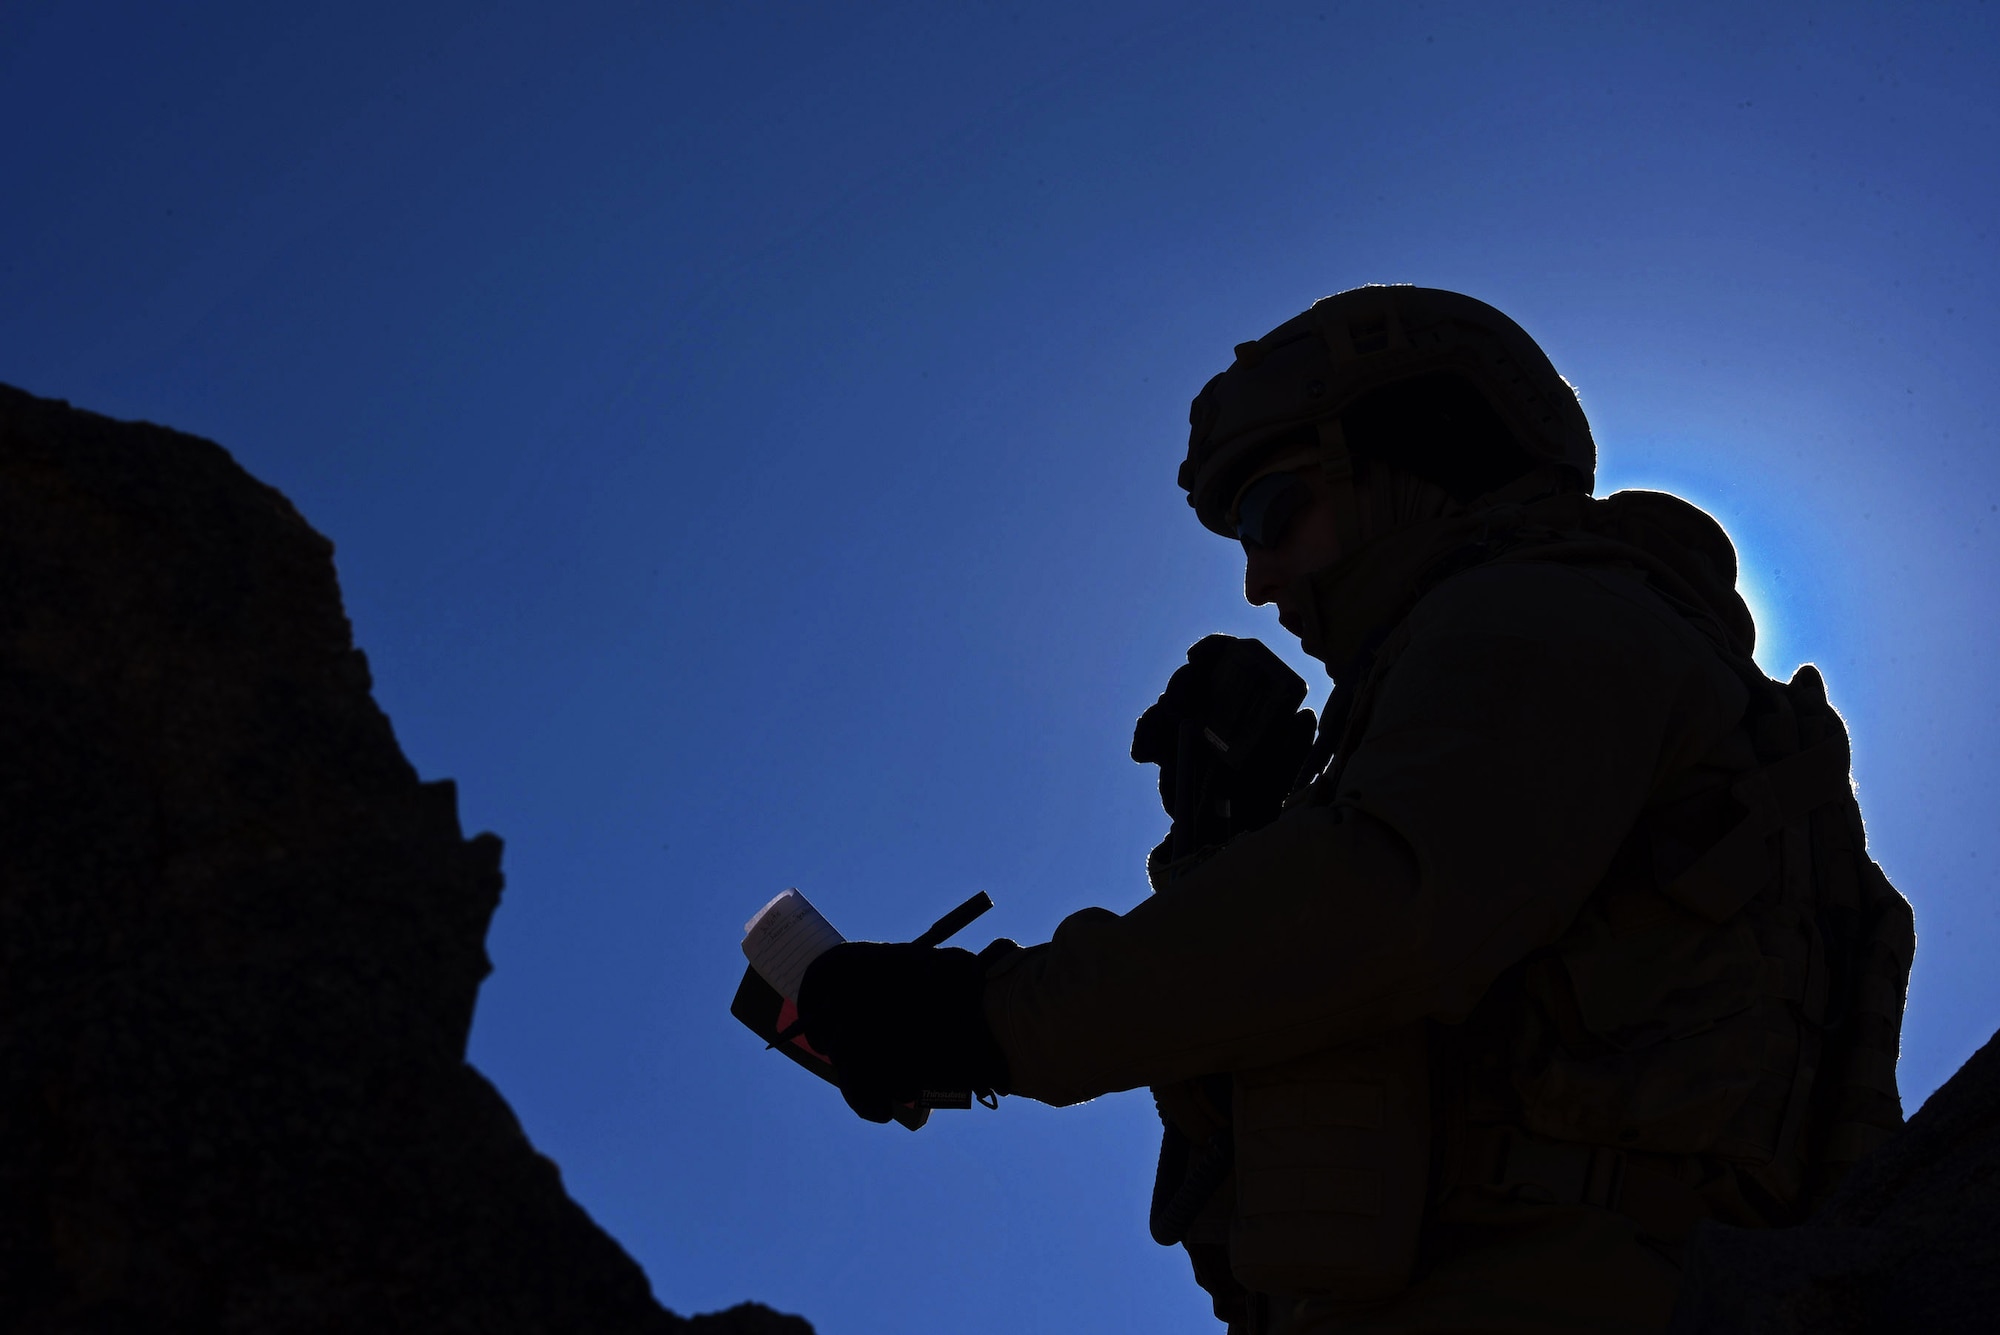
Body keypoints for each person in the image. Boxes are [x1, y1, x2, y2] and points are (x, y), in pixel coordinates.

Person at [795, 286, 1914, 1333]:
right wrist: (1223, 840)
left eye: (1276, 512)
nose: (1258, 580)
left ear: (1418, 465)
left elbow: (1369, 912)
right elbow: (1308, 1045)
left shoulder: (1544, 614)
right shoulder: (1547, 658)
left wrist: (981, 1016)